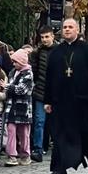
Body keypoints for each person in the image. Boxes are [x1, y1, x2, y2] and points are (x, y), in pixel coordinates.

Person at [44, 19, 88, 174]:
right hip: (60, 101)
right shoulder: (56, 52)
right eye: (65, 27)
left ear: (77, 30)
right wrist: (47, 100)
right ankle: (59, 168)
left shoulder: (87, 49)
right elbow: (48, 78)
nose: (67, 30)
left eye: (70, 27)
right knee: (59, 133)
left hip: (81, 99)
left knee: (84, 131)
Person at [30, 25, 57, 162]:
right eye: (42, 37)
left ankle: (59, 148)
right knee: (39, 121)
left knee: (57, 122)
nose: (45, 39)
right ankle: (38, 149)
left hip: (57, 92)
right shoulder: (36, 53)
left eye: (47, 36)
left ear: (52, 36)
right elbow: (34, 71)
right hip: (41, 91)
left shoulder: (60, 51)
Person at [4, 48, 35, 166]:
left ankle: (25, 154)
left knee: (24, 132)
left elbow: (21, 89)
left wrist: (8, 87)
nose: (13, 64)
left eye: (15, 62)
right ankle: (12, 155)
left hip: (24, 107)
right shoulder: (13, 72)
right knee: (11, 130)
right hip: (12, 106)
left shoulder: (28, 74)